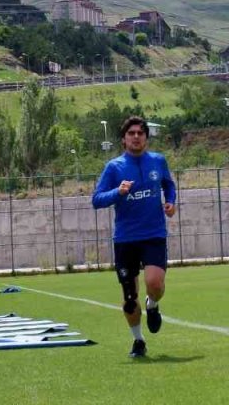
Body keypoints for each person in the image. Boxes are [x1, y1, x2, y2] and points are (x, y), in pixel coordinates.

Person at [91, 116, 177, 358]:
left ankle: (153, 304)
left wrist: (170, 202)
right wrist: (117, 193)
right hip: (126, 239)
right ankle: (138, 341)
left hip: (153, 235)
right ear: (123, 139)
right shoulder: (114, 167)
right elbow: (97, 200)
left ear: (146, 138)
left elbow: (169, 186)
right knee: (130, 299)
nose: (136, 137)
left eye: (140, 133)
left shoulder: (158, 161)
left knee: (155, 284)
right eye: (132, 133)